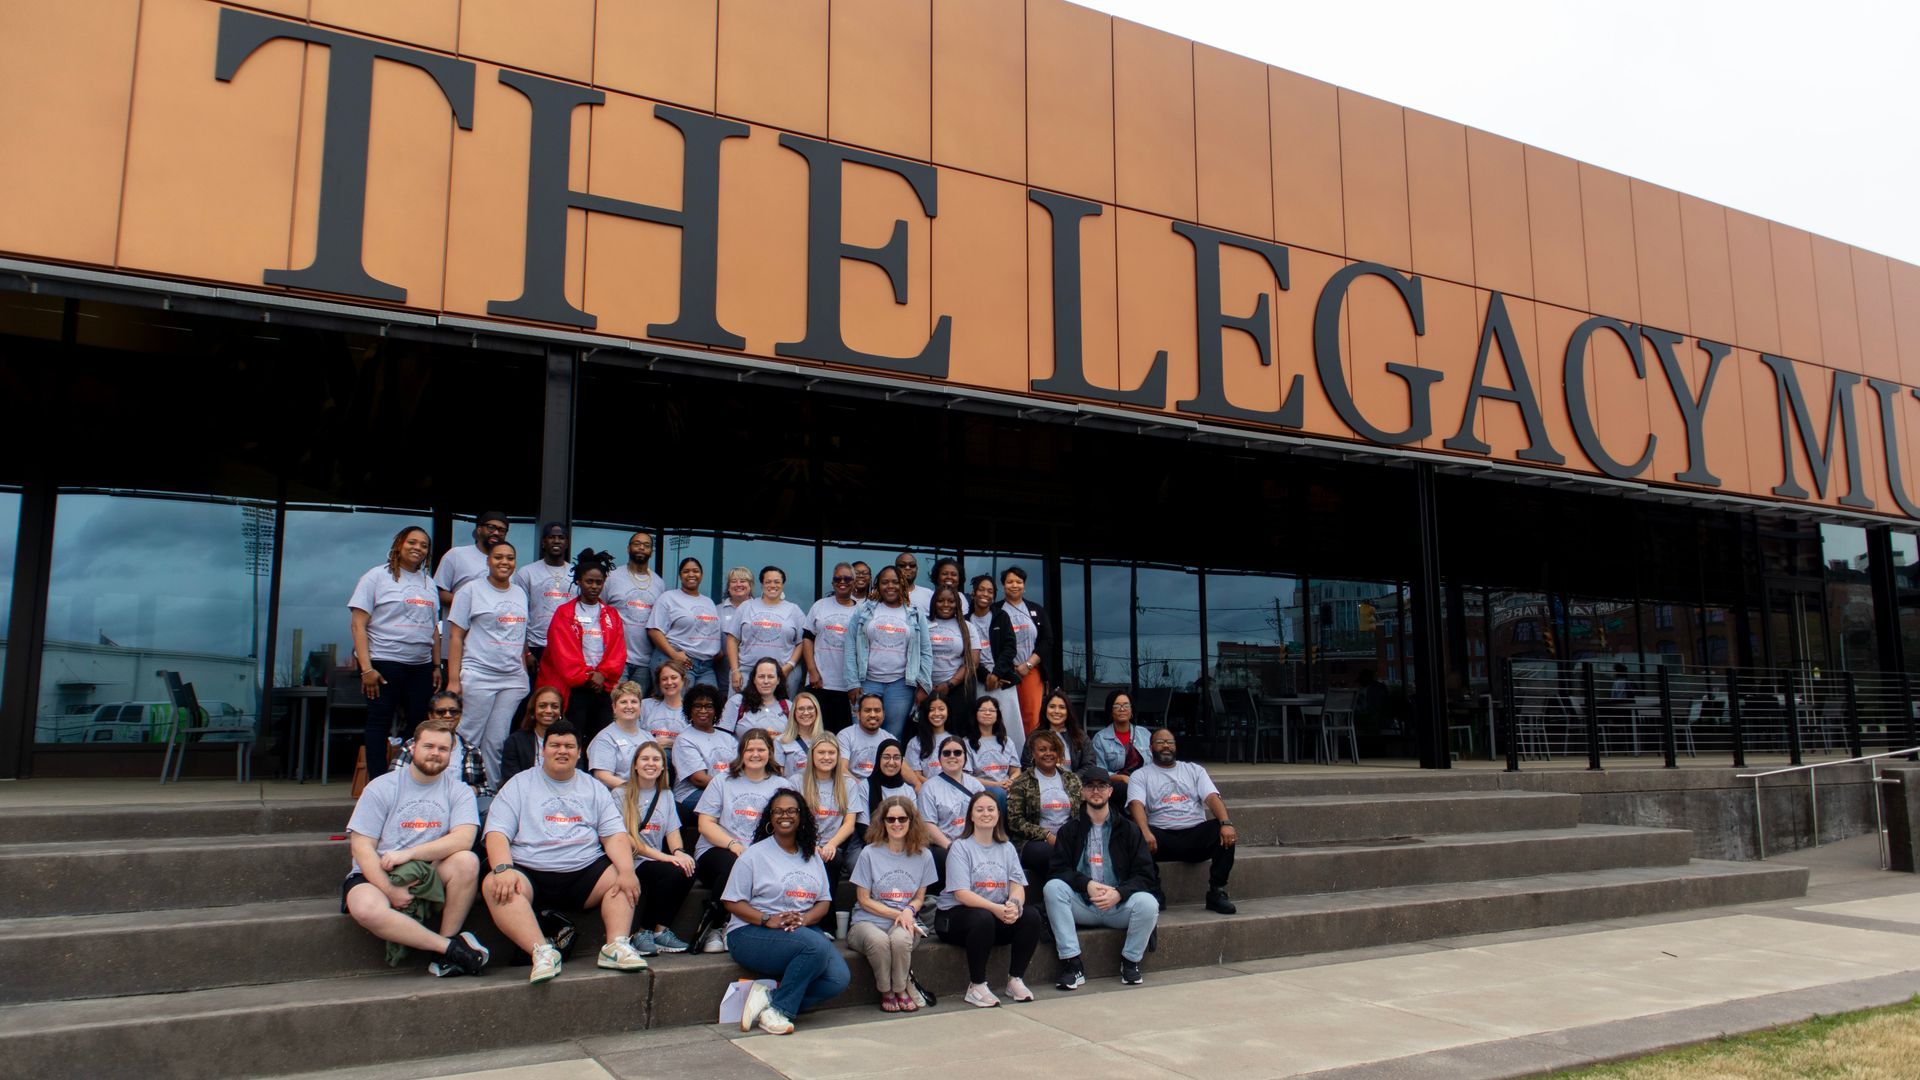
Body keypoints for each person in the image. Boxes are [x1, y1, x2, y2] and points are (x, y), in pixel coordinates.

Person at [482, 719, 647, 984]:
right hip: (530, 871)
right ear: (543, 750)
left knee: (623, 875)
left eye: (569, 746)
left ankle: (616, 946)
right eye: (555, 745)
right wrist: (502, 868)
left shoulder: (593, 787)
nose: (562, 751)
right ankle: (542, 952)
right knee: (494, 884)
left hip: (583, 871)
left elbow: (614, 835)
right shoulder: (519, 784)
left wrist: (628, 871)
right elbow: (497, 832)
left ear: (579, 751)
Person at [341, 717, 489, 977]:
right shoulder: (381, 787)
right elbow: (362, 846)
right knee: (364, 908)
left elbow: (464, 838)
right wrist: (388, 888)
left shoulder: (460, 791)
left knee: (467, 860)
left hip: (428, 871)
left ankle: (446, 943)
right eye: (429, 746)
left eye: (443, 749)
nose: (435, 753)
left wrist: (410, 853)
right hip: (377, 871)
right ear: (413, 748)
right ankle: (448, 949)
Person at [724, 789, 850, 1036]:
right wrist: (766, 919)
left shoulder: (811, 855)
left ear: (801, 816)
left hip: (800, 929)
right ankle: (779, 1010)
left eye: (792, 811)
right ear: (770, 818)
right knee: (816, 946)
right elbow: (731, 901)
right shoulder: (754, 855)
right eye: (778, 811)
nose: (785, 816)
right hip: (751, 932)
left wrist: (804, 919)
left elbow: (823, 903)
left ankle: (769, 998)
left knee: (838, 979)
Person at [1045, 764, 1160, 989]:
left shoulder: (1128, 830)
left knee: (1148, 903)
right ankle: (1072, 964)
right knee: (1053, 888)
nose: (1096, 791)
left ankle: (1130, 962)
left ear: (1110, 791)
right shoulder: (1070, 830)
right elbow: (1057, 870)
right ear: (1082, 792)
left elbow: (1145, 875)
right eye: (1090, 787)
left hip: (1119, 905)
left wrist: (1120, 893)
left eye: (1101, 786)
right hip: (1084, 904)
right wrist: (1085, 884)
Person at [349, 525, 440, 780]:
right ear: (399, 543)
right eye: (412, 542)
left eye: (424, 545)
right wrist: (366, 668)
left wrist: (435, 666)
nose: (418, 548)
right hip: (384, 663)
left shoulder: (428, 583)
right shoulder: (376, 577)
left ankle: (409, 778)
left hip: (420, 666)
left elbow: (433, 628)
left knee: (418, 724)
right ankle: (378, 782)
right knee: (379, 722)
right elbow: (358, 623)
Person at [936, 791, 1042, 1008]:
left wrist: (1014, 905)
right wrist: (996, 908)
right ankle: (976, 986)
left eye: (991, 809)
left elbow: (1017, 886)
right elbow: (961, 894)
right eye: (980, 809)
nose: (986, 813)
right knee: (982, 917)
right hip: (955, 918)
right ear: (971, 817)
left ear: (998, 815)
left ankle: (1015, 980)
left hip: (992, 915)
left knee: (1030, 915)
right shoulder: (960, 847)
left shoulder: (1007, 848)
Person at [693, 727, 793, 953]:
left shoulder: (782, 786)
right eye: (750, 750)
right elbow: (705, 823)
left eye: (761, 749)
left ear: (770, 752)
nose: (755, 754)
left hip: (763, 855)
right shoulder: (723, 781)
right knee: (734, 864)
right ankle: (716, 926)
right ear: (741, 753)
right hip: (719, 850)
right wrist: (734, 845)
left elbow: (791, 826)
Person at [1129, 728, 1239, 915]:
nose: (1166, 746)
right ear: (1150, 748)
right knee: (1134, 832)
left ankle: (1217, 892)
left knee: (1223, 830)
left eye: (1170, 742)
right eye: (1160, 742)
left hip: (1194, 834)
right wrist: (1145, 832)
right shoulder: (1141, 775)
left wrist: (1226, 823)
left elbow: (1212, 797)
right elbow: (1135, 804)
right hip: (1160, 838)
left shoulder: (1194, 770)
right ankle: (1154, 891)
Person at [447, 539, 530, 785]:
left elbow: (519, 634)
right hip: (478, 673)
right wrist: (454, 680)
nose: (504, 562)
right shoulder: (470, 590)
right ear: (488, 561)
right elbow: (455, 636)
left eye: (510, 558)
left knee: (496, 740)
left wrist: (523, 669)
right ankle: (454, 788)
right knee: (467, 735)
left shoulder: (519, 592)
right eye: (498, 557)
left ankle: (491, 793)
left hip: (511, 678)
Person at [849, 795, 937, 1012]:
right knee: (878, 941)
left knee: (899, 940)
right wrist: (898, 914)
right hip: (866, 922)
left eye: (902, 819)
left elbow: (919, 897)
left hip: (904, 921)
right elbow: (863, 899)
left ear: (911, 821)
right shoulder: (869, 853)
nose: (897, 824)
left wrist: (908, 910)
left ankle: (900, 989)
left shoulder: (924, 855)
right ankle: (886, 991)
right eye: (891, 819)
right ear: (883, 822)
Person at [534, 549, 625, 745]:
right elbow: (562, 651)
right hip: (575, 687)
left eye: (598, 582)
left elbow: (618, 651)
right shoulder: (564, 613)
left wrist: (603, 674)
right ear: (578, 581)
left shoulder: (612, 614)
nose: (594, 586)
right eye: (589, 581)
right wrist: (587, 676)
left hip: (602, 687)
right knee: (573, 738)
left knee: (600, 740)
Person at [619, 740, 695, 955]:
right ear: (635, 764)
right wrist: (665, 857)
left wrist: (679, 852)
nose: (650, 763)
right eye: (645, 759)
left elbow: (672, 831)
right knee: (668, 871)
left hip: (654, 859)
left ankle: (661, 932)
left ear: (663, 766)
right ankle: (642, 932)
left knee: (688, 867)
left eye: (656, 759)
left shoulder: (666, 795)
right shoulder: (619, 793)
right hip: (630, 861)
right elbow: (627, 839)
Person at [846, 565, 931, 738]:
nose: (890, 586)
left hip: (901, 685)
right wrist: (852, 682)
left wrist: (924, 685)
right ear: (878, 585)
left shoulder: (915, 614)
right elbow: (849, 647)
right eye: (885, 582)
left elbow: (926, 651)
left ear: (903, 585)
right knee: (861, 732)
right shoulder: (863, 611)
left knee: (893, 736)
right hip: (866, 682)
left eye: (895, 582)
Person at [1007, 729, 1080, 890]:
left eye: (1053, 749)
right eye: (1042, 749)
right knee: (1050, 854)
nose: (1048, 753)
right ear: (1033, 753)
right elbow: (1015, 821)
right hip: (1033, 842)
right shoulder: (1021, 782)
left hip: (1069, 838)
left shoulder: (1072, 779)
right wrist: (1046, 835)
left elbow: (1082, 814)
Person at [986, 566, 1050, 738]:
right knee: (1004, 715)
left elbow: (1046, 641)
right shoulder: (995, 610)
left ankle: (1029, 759)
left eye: (1019, 582)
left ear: (1024, 585)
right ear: (1003, 586)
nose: (1014, 585)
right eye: (1010, 582)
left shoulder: (1035, 610)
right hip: (1003, 672)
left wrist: (1028, 664)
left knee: (1031, 716)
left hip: (1030, 671)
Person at [916, 733, 985, 894]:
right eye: (946, 753)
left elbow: (986, 818)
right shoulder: (929, 787)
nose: (952, 756)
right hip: (944, 845)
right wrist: (951, 846)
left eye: (957, 752)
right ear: (939, 758)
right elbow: (928, 825)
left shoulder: (976, 785)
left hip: (974, 842)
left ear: (965, 757)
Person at [726, 566, 807, 699]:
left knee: (780, 716)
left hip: (783, 672)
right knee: (740, 713)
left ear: (783, 584)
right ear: (762, 584)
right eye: (768, 582)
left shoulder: (794, 610)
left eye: (777, 582)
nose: (772, 585)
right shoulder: (746, 607)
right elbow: (732, 639)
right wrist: (735, 670)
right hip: (747, 671)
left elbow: (801, 642)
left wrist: (789, 666)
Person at [601, 530, 662, 697]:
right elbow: (599, 613)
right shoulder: (612, 578)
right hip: (617, 659)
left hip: (645, 661)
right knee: (615, 707)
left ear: (651, 551)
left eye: (646, 545)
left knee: (634, 708)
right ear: (628, 548)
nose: (641, 548)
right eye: (637, 544)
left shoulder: (659, 583)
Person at [804, 733, 860, 913]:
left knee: (833, 860)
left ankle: (827, 923)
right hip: (804, 842)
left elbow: (849, 823)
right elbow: (795, 820)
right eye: (821, 752)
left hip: (833, 844)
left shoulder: (848, 784)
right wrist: (809, 844)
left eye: (831, 753)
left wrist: (831, 845)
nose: (826, 757)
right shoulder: (798, 781)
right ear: (812, 755)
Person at [803, 562, 861, 734]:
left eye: (847, 578)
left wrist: (857, 682)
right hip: (820, 683)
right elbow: (807, 639)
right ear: (832, 582)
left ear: (854, 581)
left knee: (842, 735)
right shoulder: (820, 606)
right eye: (837, 579)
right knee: (815, 732)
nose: (842, 582)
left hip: (847, 687)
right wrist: (812, 670)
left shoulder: (862, 610)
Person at [967, 575, 1022, 756]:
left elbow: (1010, 647)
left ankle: (1017, 766)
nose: (985, 594)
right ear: (973, 593)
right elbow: (967, 654)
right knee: (983, 726)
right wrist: (986, 676)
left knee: (1010, 727)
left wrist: (996, 674)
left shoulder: (1001, 616)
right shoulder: (966, 621)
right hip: (980, 682)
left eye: (990, 591)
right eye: (981, 590)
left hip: (1003, 680)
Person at [648, 557, 723, 689]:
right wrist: (674, 655)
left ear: (702, 575)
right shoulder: (668, 597)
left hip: (706, 667)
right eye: (686, 571)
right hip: (678, 662)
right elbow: (654, 630)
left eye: (695, 571)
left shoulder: (708, 602)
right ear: (680, 575)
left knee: (710, 704)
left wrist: (715, 651)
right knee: (678, 707)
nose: (691, 575)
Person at [510, 522, 573, 671]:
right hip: (535, 645)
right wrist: (526, 652)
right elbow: (519, 615)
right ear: (543, 542)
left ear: (566, 543)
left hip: (567, 645)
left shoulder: (575, 574)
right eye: (551, 537)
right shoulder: (527, 572)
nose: (556, 541)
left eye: (561, 537)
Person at [669, 684, 734, 825]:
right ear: (689, 710)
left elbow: (740, 769)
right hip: (691, 794)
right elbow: (698, 779)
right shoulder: (685, 738)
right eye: (697, 706)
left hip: (725, 791)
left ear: (716, 709)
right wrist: (732, 791)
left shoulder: (727, 738)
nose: (703, 710)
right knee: (730, 806)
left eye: (709, 706)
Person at [435, 511, 509, 615]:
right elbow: (437, 594)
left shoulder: (507, 564)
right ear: (479, 529)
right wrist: (473, 603)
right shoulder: (456, 555)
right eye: (491, 527)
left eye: (502, 530)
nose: (496, 533)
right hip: (460, 629)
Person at [1087, 689, 1146, 807]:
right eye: (1117, 706)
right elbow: (1100, 771)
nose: (1122, 709)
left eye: (1126, 705)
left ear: (1131, 710)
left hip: (1144, 782)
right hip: (1119, 787)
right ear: (1110, 711)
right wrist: (1122, 778)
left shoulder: (1144, 734)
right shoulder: (1100, 738)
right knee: (1126, 789)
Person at [586, 681, 649, 790]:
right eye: (623, 702)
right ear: (614, 707)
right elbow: (603, 776)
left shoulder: (648, 737)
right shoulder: (605, 738)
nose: (629, 706)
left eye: (634, 702)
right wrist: (635, 791)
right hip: (618, 800)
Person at [966, 695, 1022, 811]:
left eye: (992, 710)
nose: (987, 713)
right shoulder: (967, 742)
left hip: (1006, 786)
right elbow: (967, 777)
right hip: (981, 788)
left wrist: (1010, 781)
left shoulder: (1006, 741)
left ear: (997, 715)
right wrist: (997, 785)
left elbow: (1016, 770)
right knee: (999, 794)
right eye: (983, 710)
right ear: (975, 714)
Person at [500, 685, 563, 787]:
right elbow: (511, 779)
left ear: (560, 712)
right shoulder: (515, 741)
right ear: (533, 711)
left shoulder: (570, 741)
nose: (548, 711)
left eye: (554, 706)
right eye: (542, 706)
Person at [926, 585, 975, 705]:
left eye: (951, 601)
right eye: (940, 601)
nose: (946, 604)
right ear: (934, 603)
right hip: (925, 689)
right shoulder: (923, 622)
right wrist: (923, 686)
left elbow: (973, 662)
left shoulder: (968, 627)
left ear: (957, 603)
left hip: (956, 688)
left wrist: (950, 684)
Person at [723, 657, 790, 737]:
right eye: (761, 676)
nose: (766, 681)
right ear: (754, 679)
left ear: (778, 680)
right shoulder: (737, 702)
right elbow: (723, 737)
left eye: (771, 677)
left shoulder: (788, 706)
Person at [904, 693, 962, 785]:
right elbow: (915, 774)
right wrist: (935, 788)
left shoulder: (956, 740)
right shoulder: (915, 742)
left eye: (941, 709)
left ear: (948, 711)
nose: (937, 713)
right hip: (927, 791)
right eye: (932, 710)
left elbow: (963, 773)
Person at [1025, 688, 1088, 771]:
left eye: (1062, 707)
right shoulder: (1034, 737)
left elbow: (1089, 766)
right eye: (1052, 706)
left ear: (1068, 711)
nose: (1056, 711)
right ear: (1045, 710)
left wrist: (1071, 781)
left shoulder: (1080, 736)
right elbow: (1026, 765)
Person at [836, 692, 894, 782]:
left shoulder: (890, 739)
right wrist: (864, 787)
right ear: (858, 714)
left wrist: (917, 783)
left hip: (880, 786)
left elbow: (902, 767)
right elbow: (841, 770)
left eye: (877, 710)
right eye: (867, 710)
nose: (873, 715)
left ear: (883, 715)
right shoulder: (845, 735)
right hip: (851, 785)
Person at [715, 566, 755, 695]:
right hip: (722, 669)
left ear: (750, 585)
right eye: (734, 581)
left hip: (752, 671)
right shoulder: (717, 610)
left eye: (743, 581)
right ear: (728, 586)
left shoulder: (760, 609)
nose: (738, 584)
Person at [776, 691, 827, 775]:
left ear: (817, 711)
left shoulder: (826, 740)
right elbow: (779, 776)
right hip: (792, 787)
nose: (806, 713)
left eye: (810, 708)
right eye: (801, 709)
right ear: (794, 713)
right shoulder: (781, 741)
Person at [643, 659, 688, 751]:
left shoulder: (691, 710)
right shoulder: (645, 705)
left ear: (683, 680)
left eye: (674, 677)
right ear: (659, 683)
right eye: (664, 679)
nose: (669, 682)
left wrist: (670, 743)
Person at [864, 738, 914, 823]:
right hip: (872, 835)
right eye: (886, 757)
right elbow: (863, 826)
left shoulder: (908, 791)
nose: (891, 762)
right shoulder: (865, 786)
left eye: (896, 758)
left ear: (902, 761)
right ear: (878, 759)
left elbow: (913, 824)